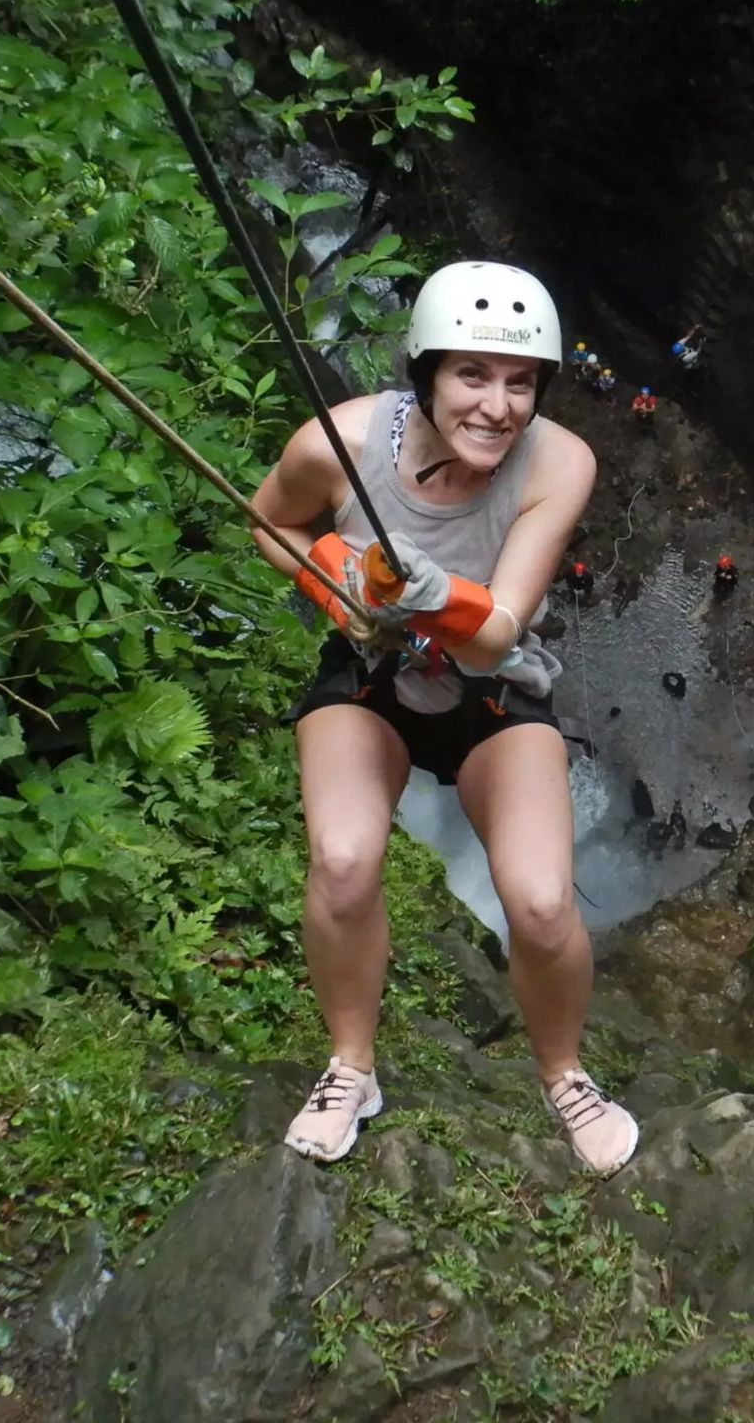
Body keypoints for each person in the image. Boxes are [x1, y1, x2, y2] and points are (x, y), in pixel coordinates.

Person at [248, 260, 638, 1177]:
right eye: (472, 375)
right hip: (370, 672)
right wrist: (327, 584)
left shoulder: (561, 461)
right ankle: (351, 1066)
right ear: (423, 374)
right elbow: (271, 522)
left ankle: (567, 1076)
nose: (499, 406)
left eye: (520, 382)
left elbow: (497, 631)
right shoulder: (336, 442)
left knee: (541, 905)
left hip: (493, 689)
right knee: (344, 861)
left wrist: (433, 593)